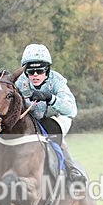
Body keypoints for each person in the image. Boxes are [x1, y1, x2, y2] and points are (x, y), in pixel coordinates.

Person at [14, 43, 86, 183]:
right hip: (32, 119)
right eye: (30, 72)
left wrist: (50, 98)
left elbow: (71, 110)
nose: (35, 75)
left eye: (40, 71)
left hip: (56, 117)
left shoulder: (57, 81)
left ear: (47, 70)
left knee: (52, 130)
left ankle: (71, 170)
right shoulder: (19, 83)